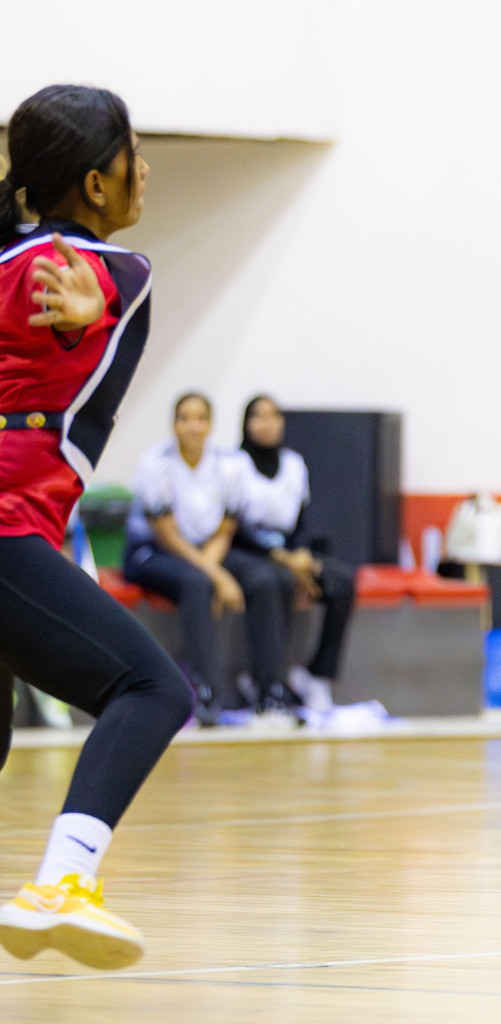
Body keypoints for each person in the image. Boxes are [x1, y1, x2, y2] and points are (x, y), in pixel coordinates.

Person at [0, 84, 186, 970]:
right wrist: (95, 311)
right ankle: (62, 883)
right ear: (96, 183)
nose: (145, 168)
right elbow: (102, 286)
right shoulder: (113, 269)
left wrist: (86, 320)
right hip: (6, 526)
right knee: (152, 689)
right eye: (132, 153)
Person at [123, 394, 302, 723]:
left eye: (200, 418)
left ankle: (269, 692)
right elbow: (166, 533)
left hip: (210, 549)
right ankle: (207, 694)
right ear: (174, 424)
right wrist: (217, 576)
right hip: (154, 551)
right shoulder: (155, 463)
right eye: (185, 418)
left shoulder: (228, 464)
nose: (193, 426)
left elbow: (225, 528)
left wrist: (214, 567)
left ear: (210, 425)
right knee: (198, 583)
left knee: (264, 578)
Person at [232, 394, 356, 709]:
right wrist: (282, 557)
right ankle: (265, 679)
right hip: (250, 550)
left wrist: (300, 553)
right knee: (276, 580)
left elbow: (302, 517)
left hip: (290, 548)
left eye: (273, 416)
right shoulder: (234, 466)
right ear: (246, 423)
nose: (266, 423)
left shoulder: (293, 464)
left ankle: (317, 674)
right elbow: (233, 526)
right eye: (258, 416)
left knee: (341, 580)